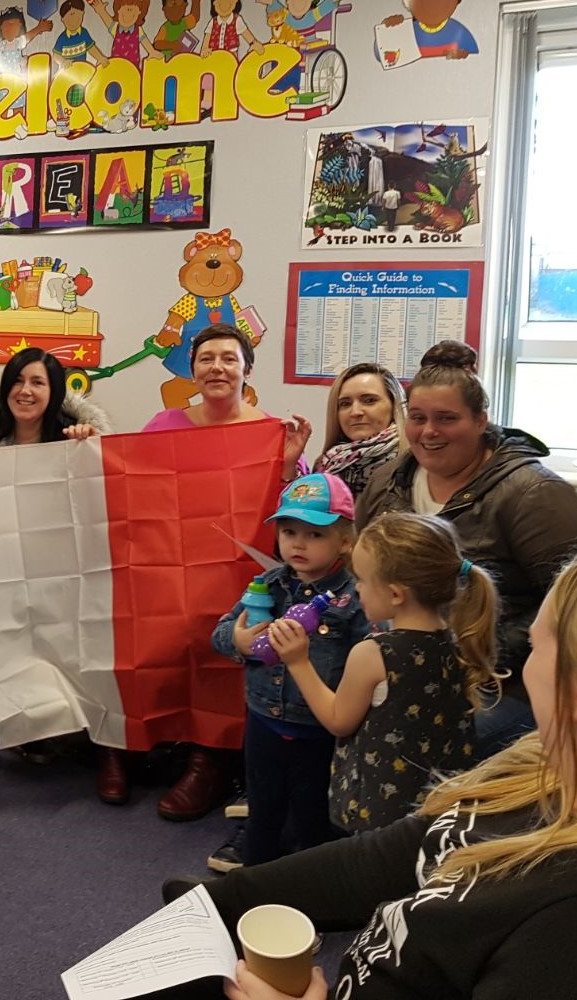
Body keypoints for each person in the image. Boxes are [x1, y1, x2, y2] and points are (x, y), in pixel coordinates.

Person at [157, 547, 577, 1000]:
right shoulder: (538, 773)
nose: (528, 662)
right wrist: (220, 902)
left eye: (537, 645)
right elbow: (382, 858)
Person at [356, 340, 577, 754]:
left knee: (419, 747)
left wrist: (478, 648)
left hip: (505, 680)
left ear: (481, 420)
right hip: (409, 664)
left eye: (446, 419)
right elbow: (361, 574)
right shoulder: (387, 483)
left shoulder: (532, 493)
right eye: (418, 418)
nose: (428, 432)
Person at [132, 326, 311, 819]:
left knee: (226, 656)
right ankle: (167, 743)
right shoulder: (163, 424)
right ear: (192, 370)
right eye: (206, 358)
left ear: (247, 369)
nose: (217, 367)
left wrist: (287, 464)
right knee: (167, 650)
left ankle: (211, 758)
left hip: (242, 572)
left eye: (229, 359)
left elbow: (296, 517)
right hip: (171, 563)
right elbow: (134, 490)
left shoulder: (272, 431)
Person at [271, 511, 500, 835]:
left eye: (362, 580)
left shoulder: (374, 653)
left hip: (382, 812)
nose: (358, 589)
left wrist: (297, 662)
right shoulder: (460, 638)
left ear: (395, 594)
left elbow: (338, 720)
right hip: (443, 806)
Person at [0, 347, 110, 780]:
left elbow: (95, 504)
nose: (26, 390)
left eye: (38, 382)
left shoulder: (69, 436)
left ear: (53, 391)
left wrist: (89, 450)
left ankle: (37, 730)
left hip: (49, 567)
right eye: (18, 380)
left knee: (44, 647)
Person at [206, 474, 368, 874]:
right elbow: (220, 634)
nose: (298, 544)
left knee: (314, 817)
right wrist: (240, 641)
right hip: (263, 721)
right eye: (289, 532)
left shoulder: (356, 597)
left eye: (315, 534)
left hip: (320, 730)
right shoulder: (267, 585)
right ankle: (254, 881)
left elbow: (369, 659)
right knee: (263, 809)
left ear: (344, 541)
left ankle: (306, 886)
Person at [312, 362, 405, 498]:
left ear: (394, 405)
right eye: (345, 404)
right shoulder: (325, 464)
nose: (355, 412)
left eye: (369, 400)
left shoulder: (412, 463)